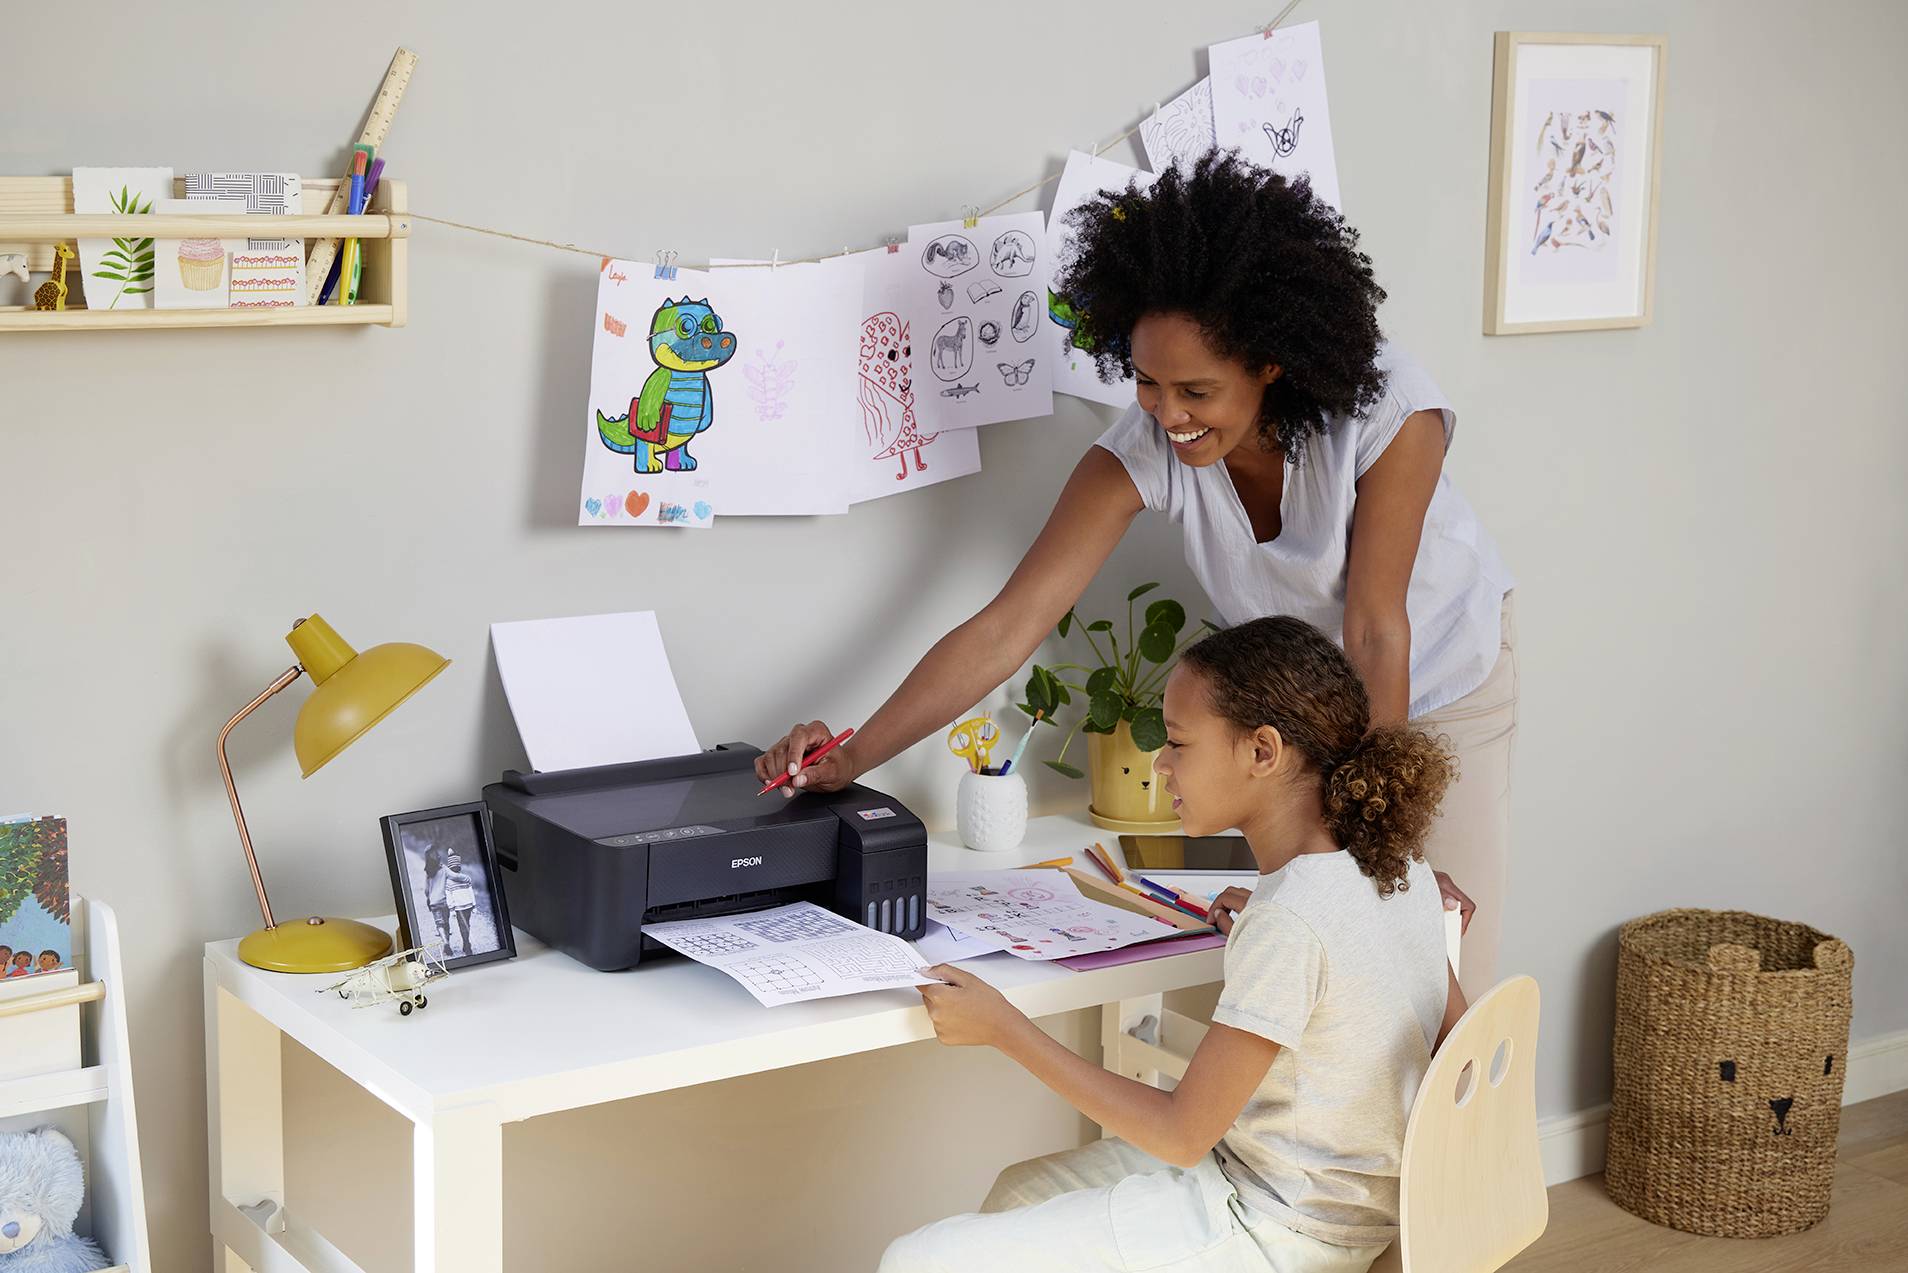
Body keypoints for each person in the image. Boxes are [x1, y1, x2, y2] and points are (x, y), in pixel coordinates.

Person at [757, 152, 1516, 998]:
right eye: (1148, 383)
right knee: (1319, 980)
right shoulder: (1147, 446)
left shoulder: (1388, 411)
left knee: (1432, 973)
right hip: (1306, 710)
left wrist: (1386, 866)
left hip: (1436, 685)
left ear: (1270, 364)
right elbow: (1008, 626)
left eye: (1196, 389)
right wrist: (854, 755)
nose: (1169, 415)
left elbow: (1379, 630)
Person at [882, 617, 1461, 1272]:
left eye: (1179, 744)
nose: (1160, 762)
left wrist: (1004, 1027)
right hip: (1328, 1196)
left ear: (1262, 752)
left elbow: (1182, 1135)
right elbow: (1449, 1025)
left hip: (1273, 1227)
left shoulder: (1292, 922)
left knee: (914, 1260)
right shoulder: (1397, 865)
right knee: (1021, 1192)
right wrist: (1285, 938)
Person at [443, 853, 479, 957]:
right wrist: (452, 909)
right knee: (464, 926)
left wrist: (474, 905)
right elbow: (449, 896)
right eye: (454, 868)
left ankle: (466, 945)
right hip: (459, 908)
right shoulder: (449, 882)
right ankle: (467, 946)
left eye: (456, 867)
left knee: (466, 925)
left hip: (467, 906)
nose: (455, 869)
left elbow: (470, 891)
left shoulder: (466, 879)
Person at [422, 844, 453, 954]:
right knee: (446, 922)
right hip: (444, 900)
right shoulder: (443, 868)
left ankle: (445, 942)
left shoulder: (428, 872)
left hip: (434, 901)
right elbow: (452, 879)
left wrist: (428, 898)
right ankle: (448, 942)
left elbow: (426, 889)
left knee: (439, 924)